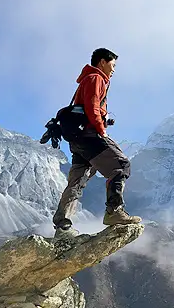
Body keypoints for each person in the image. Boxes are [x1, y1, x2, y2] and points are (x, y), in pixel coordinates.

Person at [52, 48, 141, 239]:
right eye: (113, 65)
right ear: (102, 62)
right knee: (121, 165)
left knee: (78, 180)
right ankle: (114, 211)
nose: (114, 70)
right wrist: (102, 129)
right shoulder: (96, 78)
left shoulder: (86, 79)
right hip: (90, 136)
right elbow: (92, 108)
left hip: (77, 139)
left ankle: (62, 225)